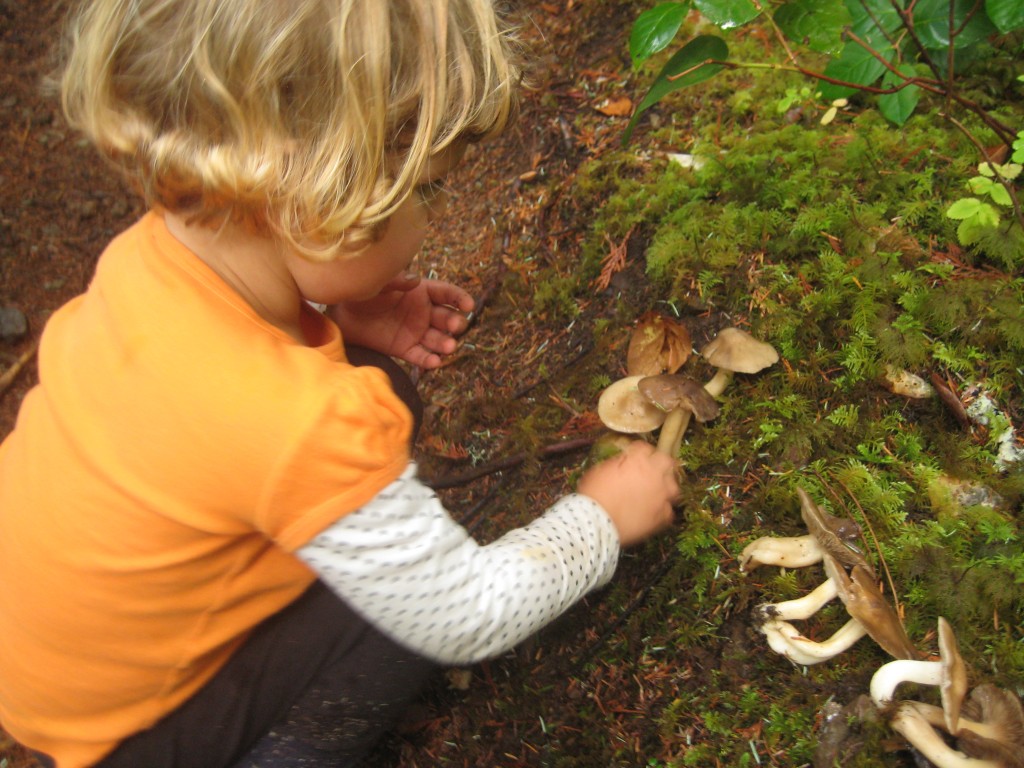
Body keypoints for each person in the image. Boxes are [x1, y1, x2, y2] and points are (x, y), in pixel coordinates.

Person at [0, 0, 680, 766]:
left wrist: (320, 313)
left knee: (382, 386)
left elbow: (194, 419)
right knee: (384, 622)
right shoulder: (293, 421)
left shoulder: (147, 253)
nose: (427, 216)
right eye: (424, 190)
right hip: (135, 736)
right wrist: (596, 524)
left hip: (51, 655)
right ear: (323, 196)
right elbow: (463, 612)